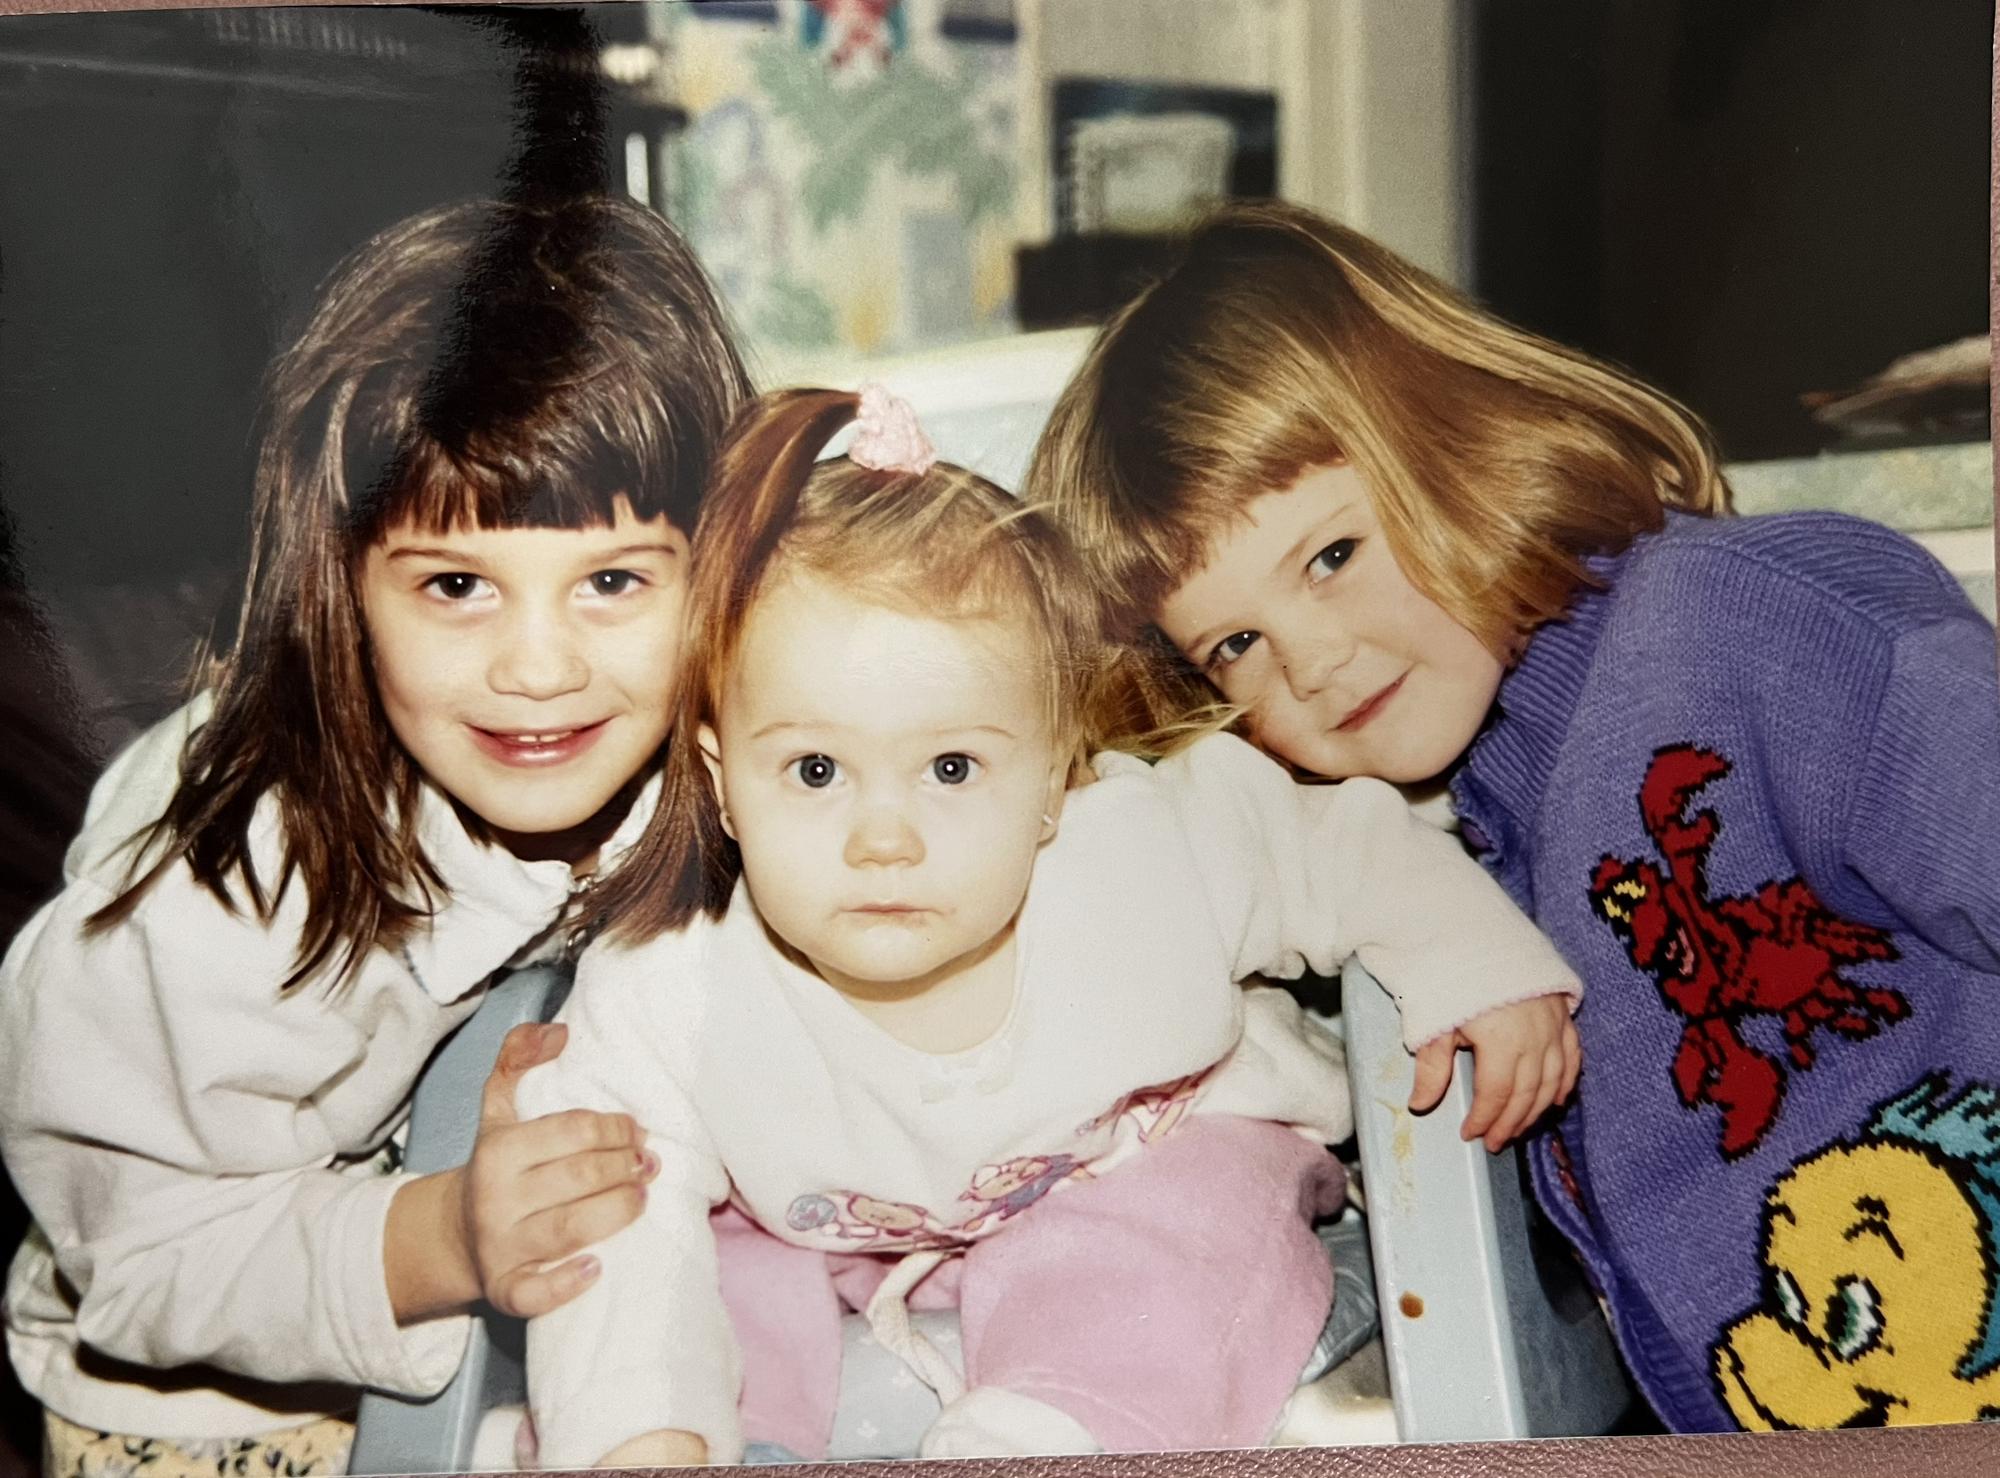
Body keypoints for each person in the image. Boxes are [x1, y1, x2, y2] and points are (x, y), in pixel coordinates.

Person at [1026, 198, 2000, 1432]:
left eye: (1330, 556)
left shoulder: (1742, 624)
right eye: (1234, 645)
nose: (1312, 662)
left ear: (1455, 439)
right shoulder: (1461, 819)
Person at [520, 384, 1582, 1467]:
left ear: (1050, 782)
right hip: (843, 1232)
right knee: (691, 1251)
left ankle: (1049, 1433)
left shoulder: (1139, 855)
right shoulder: (674, 980)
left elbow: (1341, 845)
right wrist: (632, 1426)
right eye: (815, 769)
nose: (882, 838)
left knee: (1177, 1226)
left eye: (950, 767)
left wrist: (1477, 967)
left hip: (1141, 1163)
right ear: (721, 784)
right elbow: (609, 1205)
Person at [0, 193, 751, 1476]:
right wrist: (444, 1233)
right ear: (341, 584)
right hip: (210, 1409)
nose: (537, 668)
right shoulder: (223, 875)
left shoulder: (716, 741)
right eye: (456, 584)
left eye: (612, 579)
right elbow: (137, 1251)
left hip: (529, 1313)